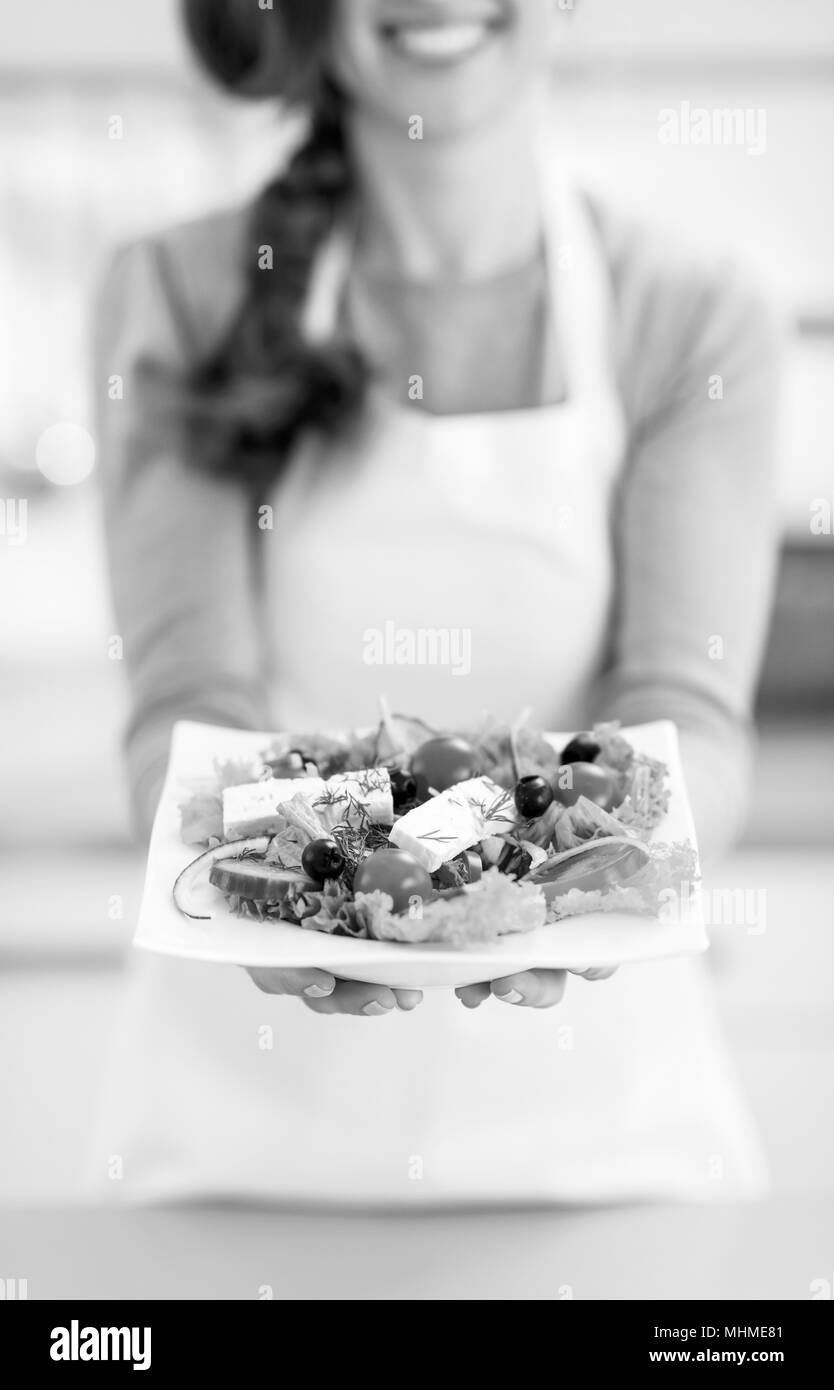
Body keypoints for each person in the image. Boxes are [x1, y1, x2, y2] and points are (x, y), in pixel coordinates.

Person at [91, 0, 780, 1203]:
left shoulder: (692, 308)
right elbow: (190, 709)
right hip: (240, 1161)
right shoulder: (183, 288)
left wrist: (606, 864)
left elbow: (687, 709)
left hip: (609, 1157)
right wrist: (312, 882)